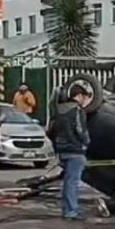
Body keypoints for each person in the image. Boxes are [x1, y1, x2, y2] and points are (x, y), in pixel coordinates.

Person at [48, 84, 90, 221]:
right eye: (84, 96)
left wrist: (57, 146)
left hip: (62, 151)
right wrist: (86, 142)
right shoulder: (77, 111)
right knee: (72, 182)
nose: (84, 100)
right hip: (75, 150)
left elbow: (50, 131)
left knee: (68, 182)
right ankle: (71, 212)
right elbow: (80, 130)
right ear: (78, 96)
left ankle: (67, 209)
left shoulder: (58, 110)